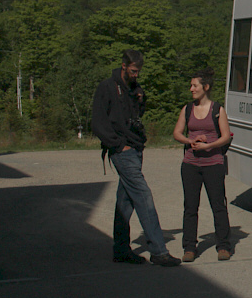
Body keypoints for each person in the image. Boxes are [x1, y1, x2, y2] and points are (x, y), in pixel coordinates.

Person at [91, 49, 181, 266]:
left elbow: (135, 116)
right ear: (123, 66)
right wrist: (117, 145)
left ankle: (121, 249)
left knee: (125, 201)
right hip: (123, 151)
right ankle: (159, 251)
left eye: (138, 72)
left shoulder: (133, 88)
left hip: (136, 148)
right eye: (133, 71)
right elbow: (97, 122)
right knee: (143, 196)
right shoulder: (106, 88)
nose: (136, 75)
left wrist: (141, 100)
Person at [172, 68, 232, 262]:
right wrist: (190, 141)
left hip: (213, 164)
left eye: (195, 85)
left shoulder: (217, 110)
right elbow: (177, 133)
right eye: (191, 85)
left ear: (205, 87)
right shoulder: (188, 109)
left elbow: (225, 137)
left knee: (218, 206)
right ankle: (189, 247)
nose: (191, 89)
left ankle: (223, 246)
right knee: (190, 207)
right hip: (190, 164)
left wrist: (209, 145)